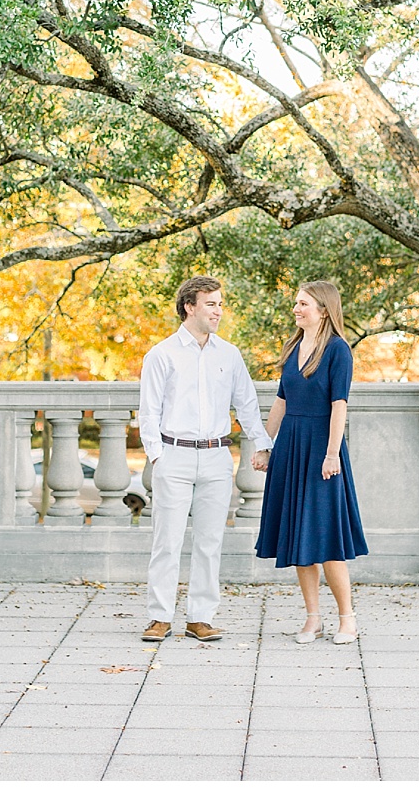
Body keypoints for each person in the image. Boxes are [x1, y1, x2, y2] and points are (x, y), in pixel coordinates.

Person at [138, 275, 272, 642]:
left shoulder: (229, 355)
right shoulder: (162, 354)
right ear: (189, 306)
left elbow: (246, 405)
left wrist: (262, 444)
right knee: (167, 541)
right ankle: (159, 616)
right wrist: (157, 457)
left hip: (216, 456)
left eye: (220, 304)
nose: (218, 311)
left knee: (210, 541)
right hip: (174, 456)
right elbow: (147, 412)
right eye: (211, 304)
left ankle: (200, 617)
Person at [254, 279, 369, 644]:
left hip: (322, 447)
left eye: (303, 303)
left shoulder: (338, 351)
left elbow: (340, 406)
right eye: (296, 303)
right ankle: (312, 618)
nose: (296, 308)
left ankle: (347, 619)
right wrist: (264, 445)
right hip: (290, 445)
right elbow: (281, 402)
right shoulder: (292, 347)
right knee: (300, 539)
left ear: (323, 309)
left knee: (327, 538)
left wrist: (332, 454)